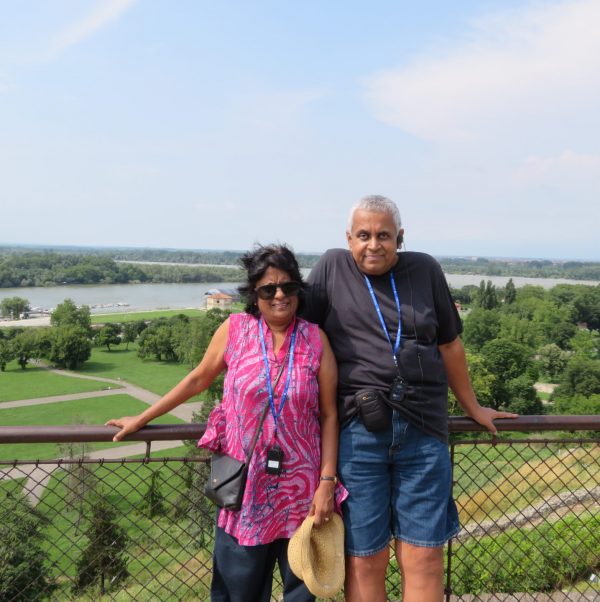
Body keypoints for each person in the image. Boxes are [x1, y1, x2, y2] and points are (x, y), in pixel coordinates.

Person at [301, 195, 517, 602]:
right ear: (348, 239)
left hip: (423, 429)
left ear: (400, 238)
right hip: (358, 431)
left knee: (424, 556)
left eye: (384, 235)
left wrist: (472, 407)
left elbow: (450, 345)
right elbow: (299, 335)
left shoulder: (425, 270)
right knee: (365, 558)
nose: (373, 244)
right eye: (363, 235)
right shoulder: (332, 267)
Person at [106, 244, 344, 602]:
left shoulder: (314, 339)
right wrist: (142, 418)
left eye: (288, 287)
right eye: (268, 289)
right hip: (245, 487)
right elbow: (197, 380)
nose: (279, 295)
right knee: (238, 591)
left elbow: (329, 414)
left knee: (303, 590)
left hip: (303, 490)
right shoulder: (236, 330)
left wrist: (327, 481)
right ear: (254, 295)